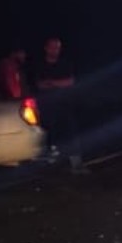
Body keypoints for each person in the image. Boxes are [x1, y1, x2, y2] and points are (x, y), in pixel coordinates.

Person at [31, 36, 81, 169]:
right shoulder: (40, 65)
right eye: (52, 47)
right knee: (49, 134)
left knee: (71, 134)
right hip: (47, 106)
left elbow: (70, 82)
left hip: (65, 105)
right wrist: (59, 83)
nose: (55, 50)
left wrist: (52, 82)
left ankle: (76, 163)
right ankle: (51, 163)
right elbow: (40, 85)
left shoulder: (65, 63)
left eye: (57, 47)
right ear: (46, 48)